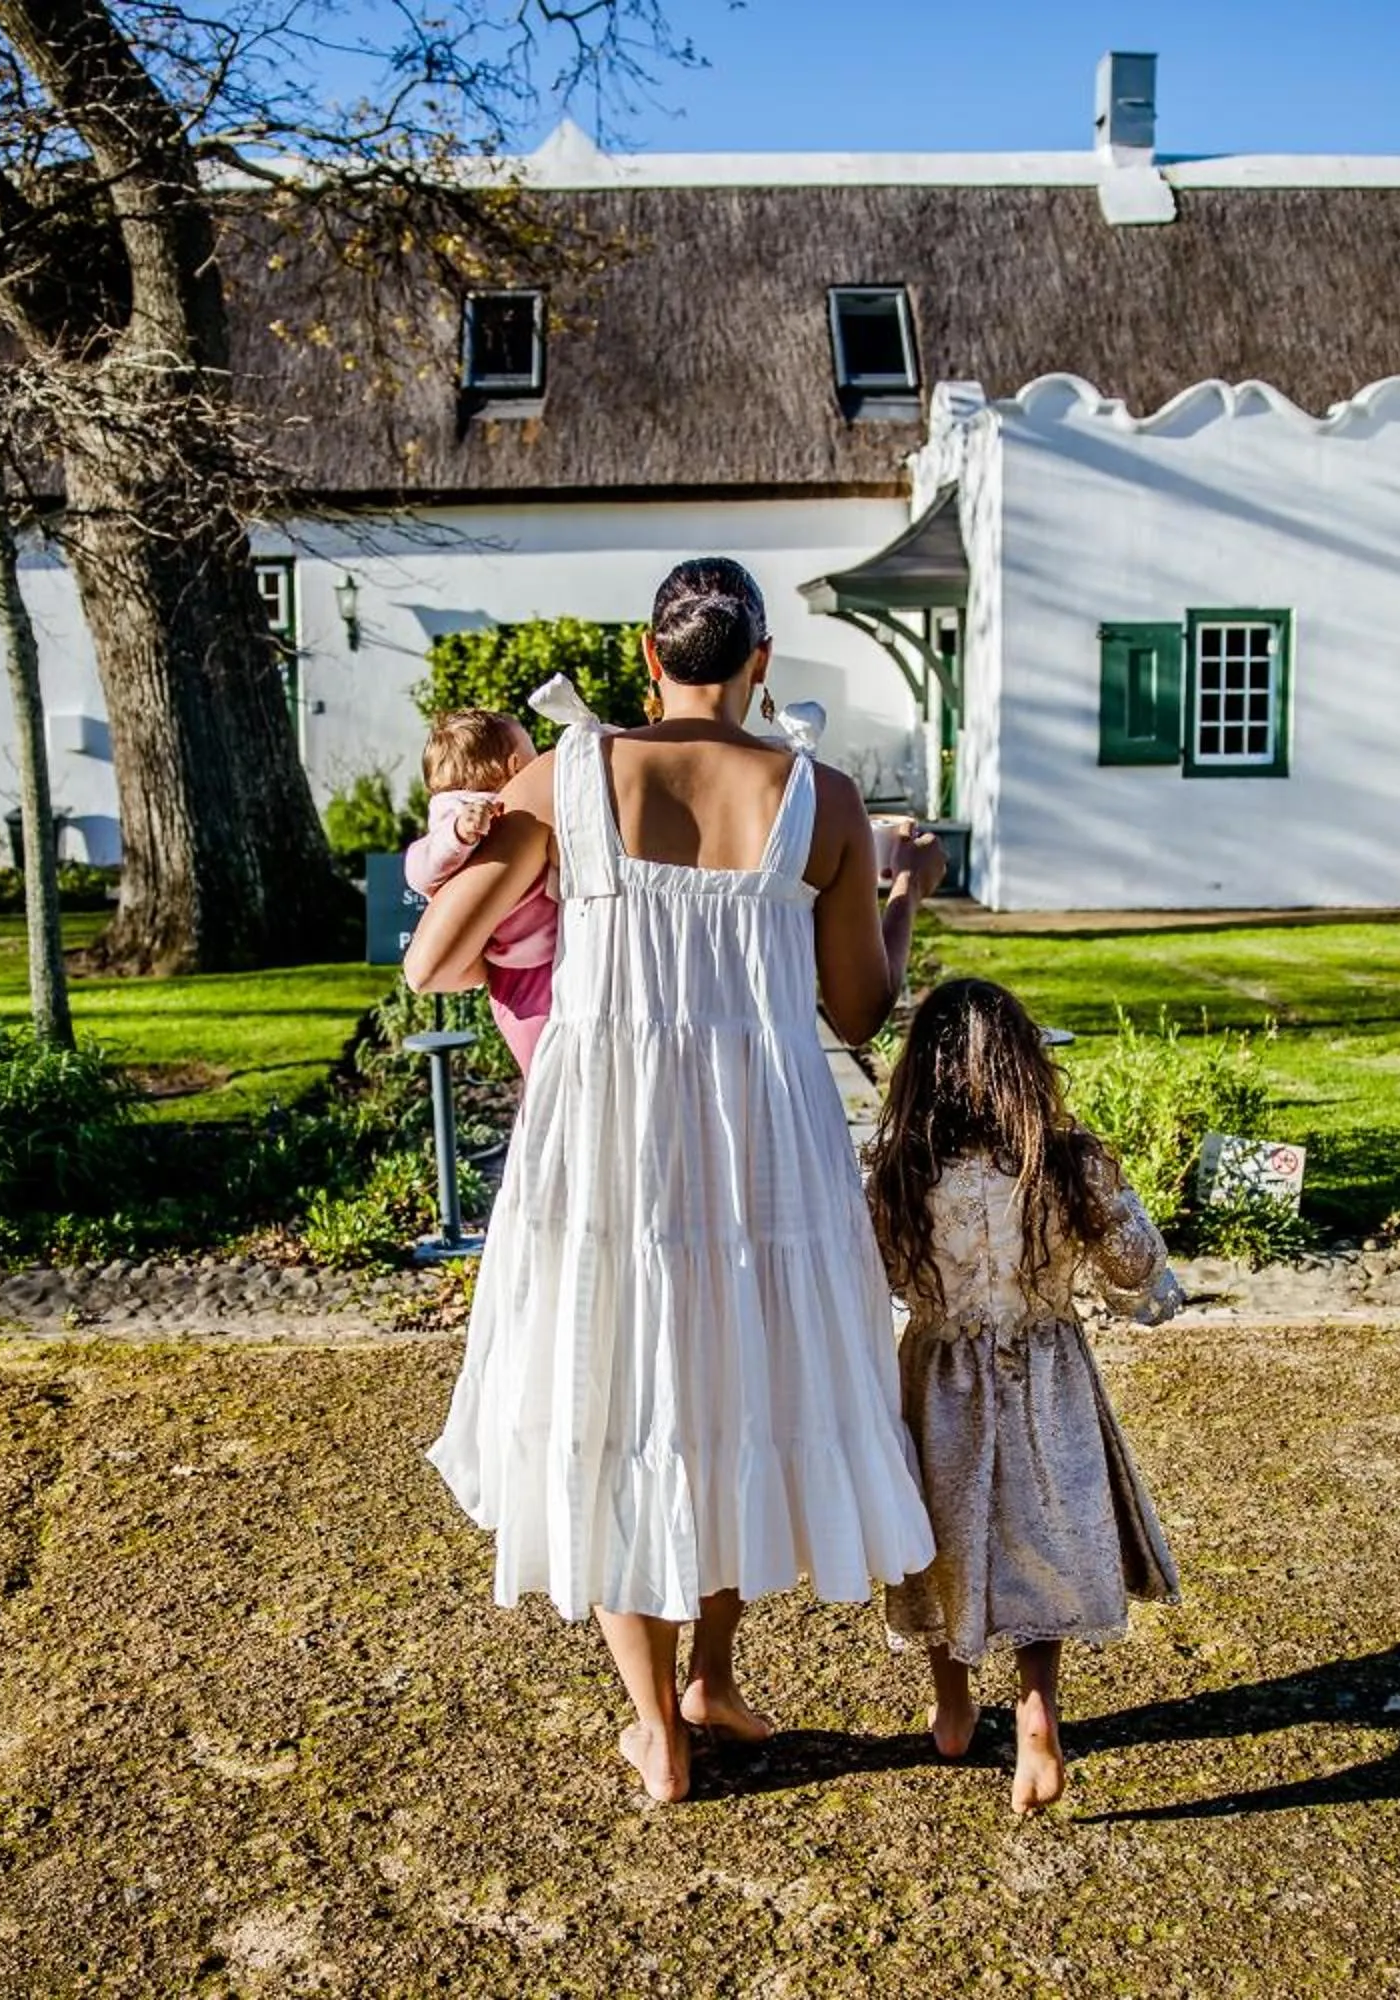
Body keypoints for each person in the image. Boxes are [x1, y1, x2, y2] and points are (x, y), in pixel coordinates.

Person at [407, 557, 946, 1805]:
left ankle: (662, 1722)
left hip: (607, 1148)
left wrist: (477, 850)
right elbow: (860, 1012)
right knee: (730, 1394)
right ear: (762, 667)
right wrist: (900, 897)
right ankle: (712, 1673)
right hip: (761, 1146)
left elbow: (438, 962)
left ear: (649, 661)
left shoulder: (568, 775)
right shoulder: (822, 799)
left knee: (614, 1401)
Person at [861, 977, 1185, 1814]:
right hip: (1048, 1374)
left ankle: (954, 1706)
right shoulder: (1067, 1163)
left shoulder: (897, 1171)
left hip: (939, 1378)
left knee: (943, 1537)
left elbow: (872, 1276)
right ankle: (1037, 1712)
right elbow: (1137, 1269)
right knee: (1040, 1531)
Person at [402, 707, 553, 1071]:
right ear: (516, 765)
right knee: (546, 1067)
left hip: (539, 958)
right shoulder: (459, 814)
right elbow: (418, 869)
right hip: (514, 969)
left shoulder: (510, 814)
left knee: (557, 1068)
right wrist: (457, 834)